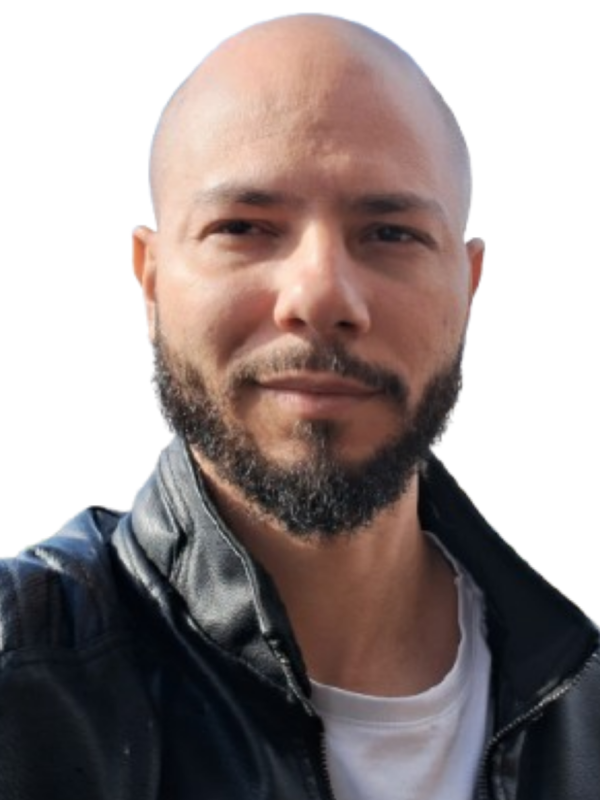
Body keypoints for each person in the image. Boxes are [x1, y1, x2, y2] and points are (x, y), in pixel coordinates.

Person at [0, 13, 598, 800]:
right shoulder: (23, 688)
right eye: (244, 228)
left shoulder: (583, 715)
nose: (320, 297)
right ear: (151, 280)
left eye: (390, 233)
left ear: (468, 284)